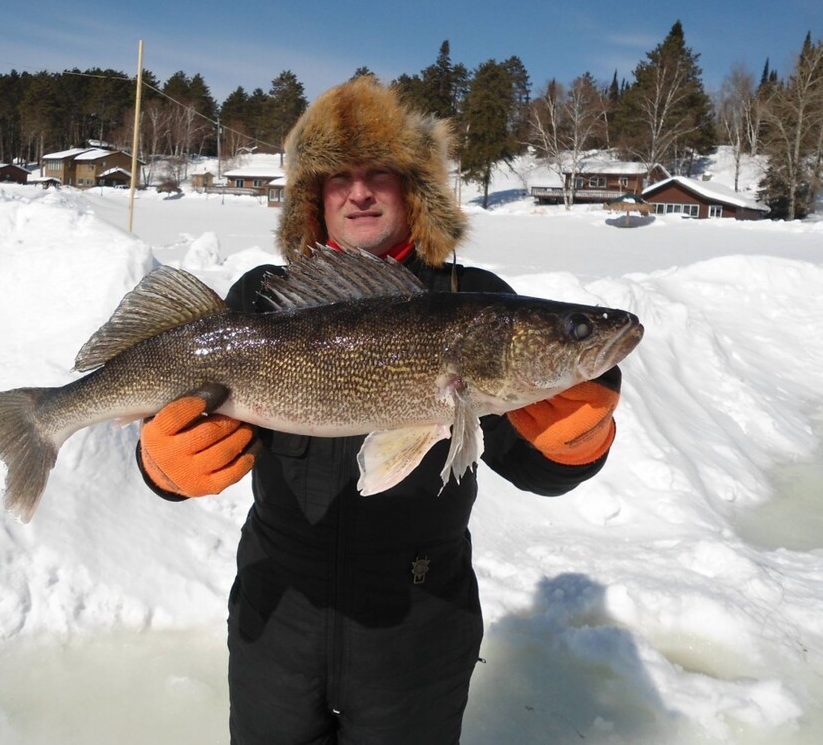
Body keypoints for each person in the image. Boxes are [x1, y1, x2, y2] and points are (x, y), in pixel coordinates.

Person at [136, 77, 623, 744]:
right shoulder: (263, 296)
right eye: (338, 177)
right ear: (314, 196)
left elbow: (531, 463)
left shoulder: (475, 303)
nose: (358, 192)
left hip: (418, 627)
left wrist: (574, 446)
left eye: (380, 174)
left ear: (414, 189)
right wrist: (159, 466)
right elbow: (179, 413)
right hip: (277, 615)